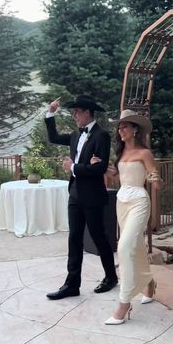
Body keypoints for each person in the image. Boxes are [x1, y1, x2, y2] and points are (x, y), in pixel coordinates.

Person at [90, 109, 163, 325]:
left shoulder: (145, 153)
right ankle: (149, 283)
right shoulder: (121, 153)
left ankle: (124, 303)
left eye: (124, 126)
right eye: (119, 127)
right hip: (121, 202)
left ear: (135, 129)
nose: (120, 130)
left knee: (124, 246)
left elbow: (154, 181)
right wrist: (104, 169)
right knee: (136, 246)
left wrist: (156, 179)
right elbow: (120, 177)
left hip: (139, 201)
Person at [44, 95, 118, 300]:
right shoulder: (77, 135)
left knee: (99, 237)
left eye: (77, 111)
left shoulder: (101, 136)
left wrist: (73, 167)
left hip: (93, 196)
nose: (74, 115)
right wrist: (50, 114)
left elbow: (101, 169)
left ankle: (111, 277)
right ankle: (71, 285)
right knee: (74, 238)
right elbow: (53, 137)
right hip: (75, 193)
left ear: (87, 112)